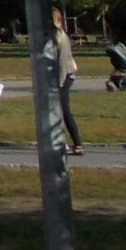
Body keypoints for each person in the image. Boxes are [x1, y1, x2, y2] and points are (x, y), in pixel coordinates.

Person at [50, 8, 84, 155]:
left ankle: (77, 144)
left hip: (66, 76)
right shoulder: (52, 35)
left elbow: (63, 62)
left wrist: (59, 83)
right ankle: (58, 142)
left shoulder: (60, 36)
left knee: (64, 111)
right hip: (60, 76)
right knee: (56, 110)